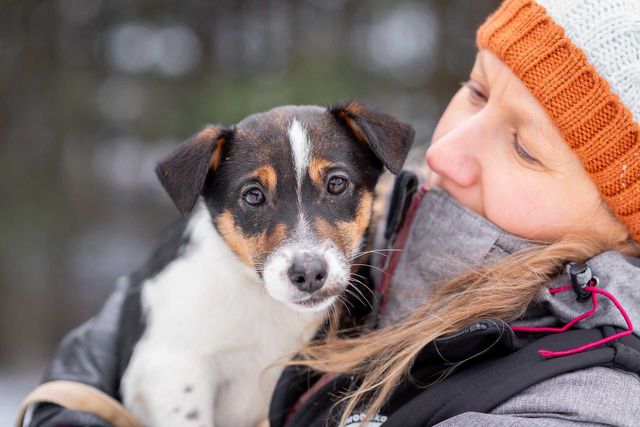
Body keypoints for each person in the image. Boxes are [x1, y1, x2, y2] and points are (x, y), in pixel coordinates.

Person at [268, 0, 640, 426]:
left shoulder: (579, 407)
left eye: (525, 149)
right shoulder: (365, 251)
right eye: (477, 91)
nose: (442, 152)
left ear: (626, 231)